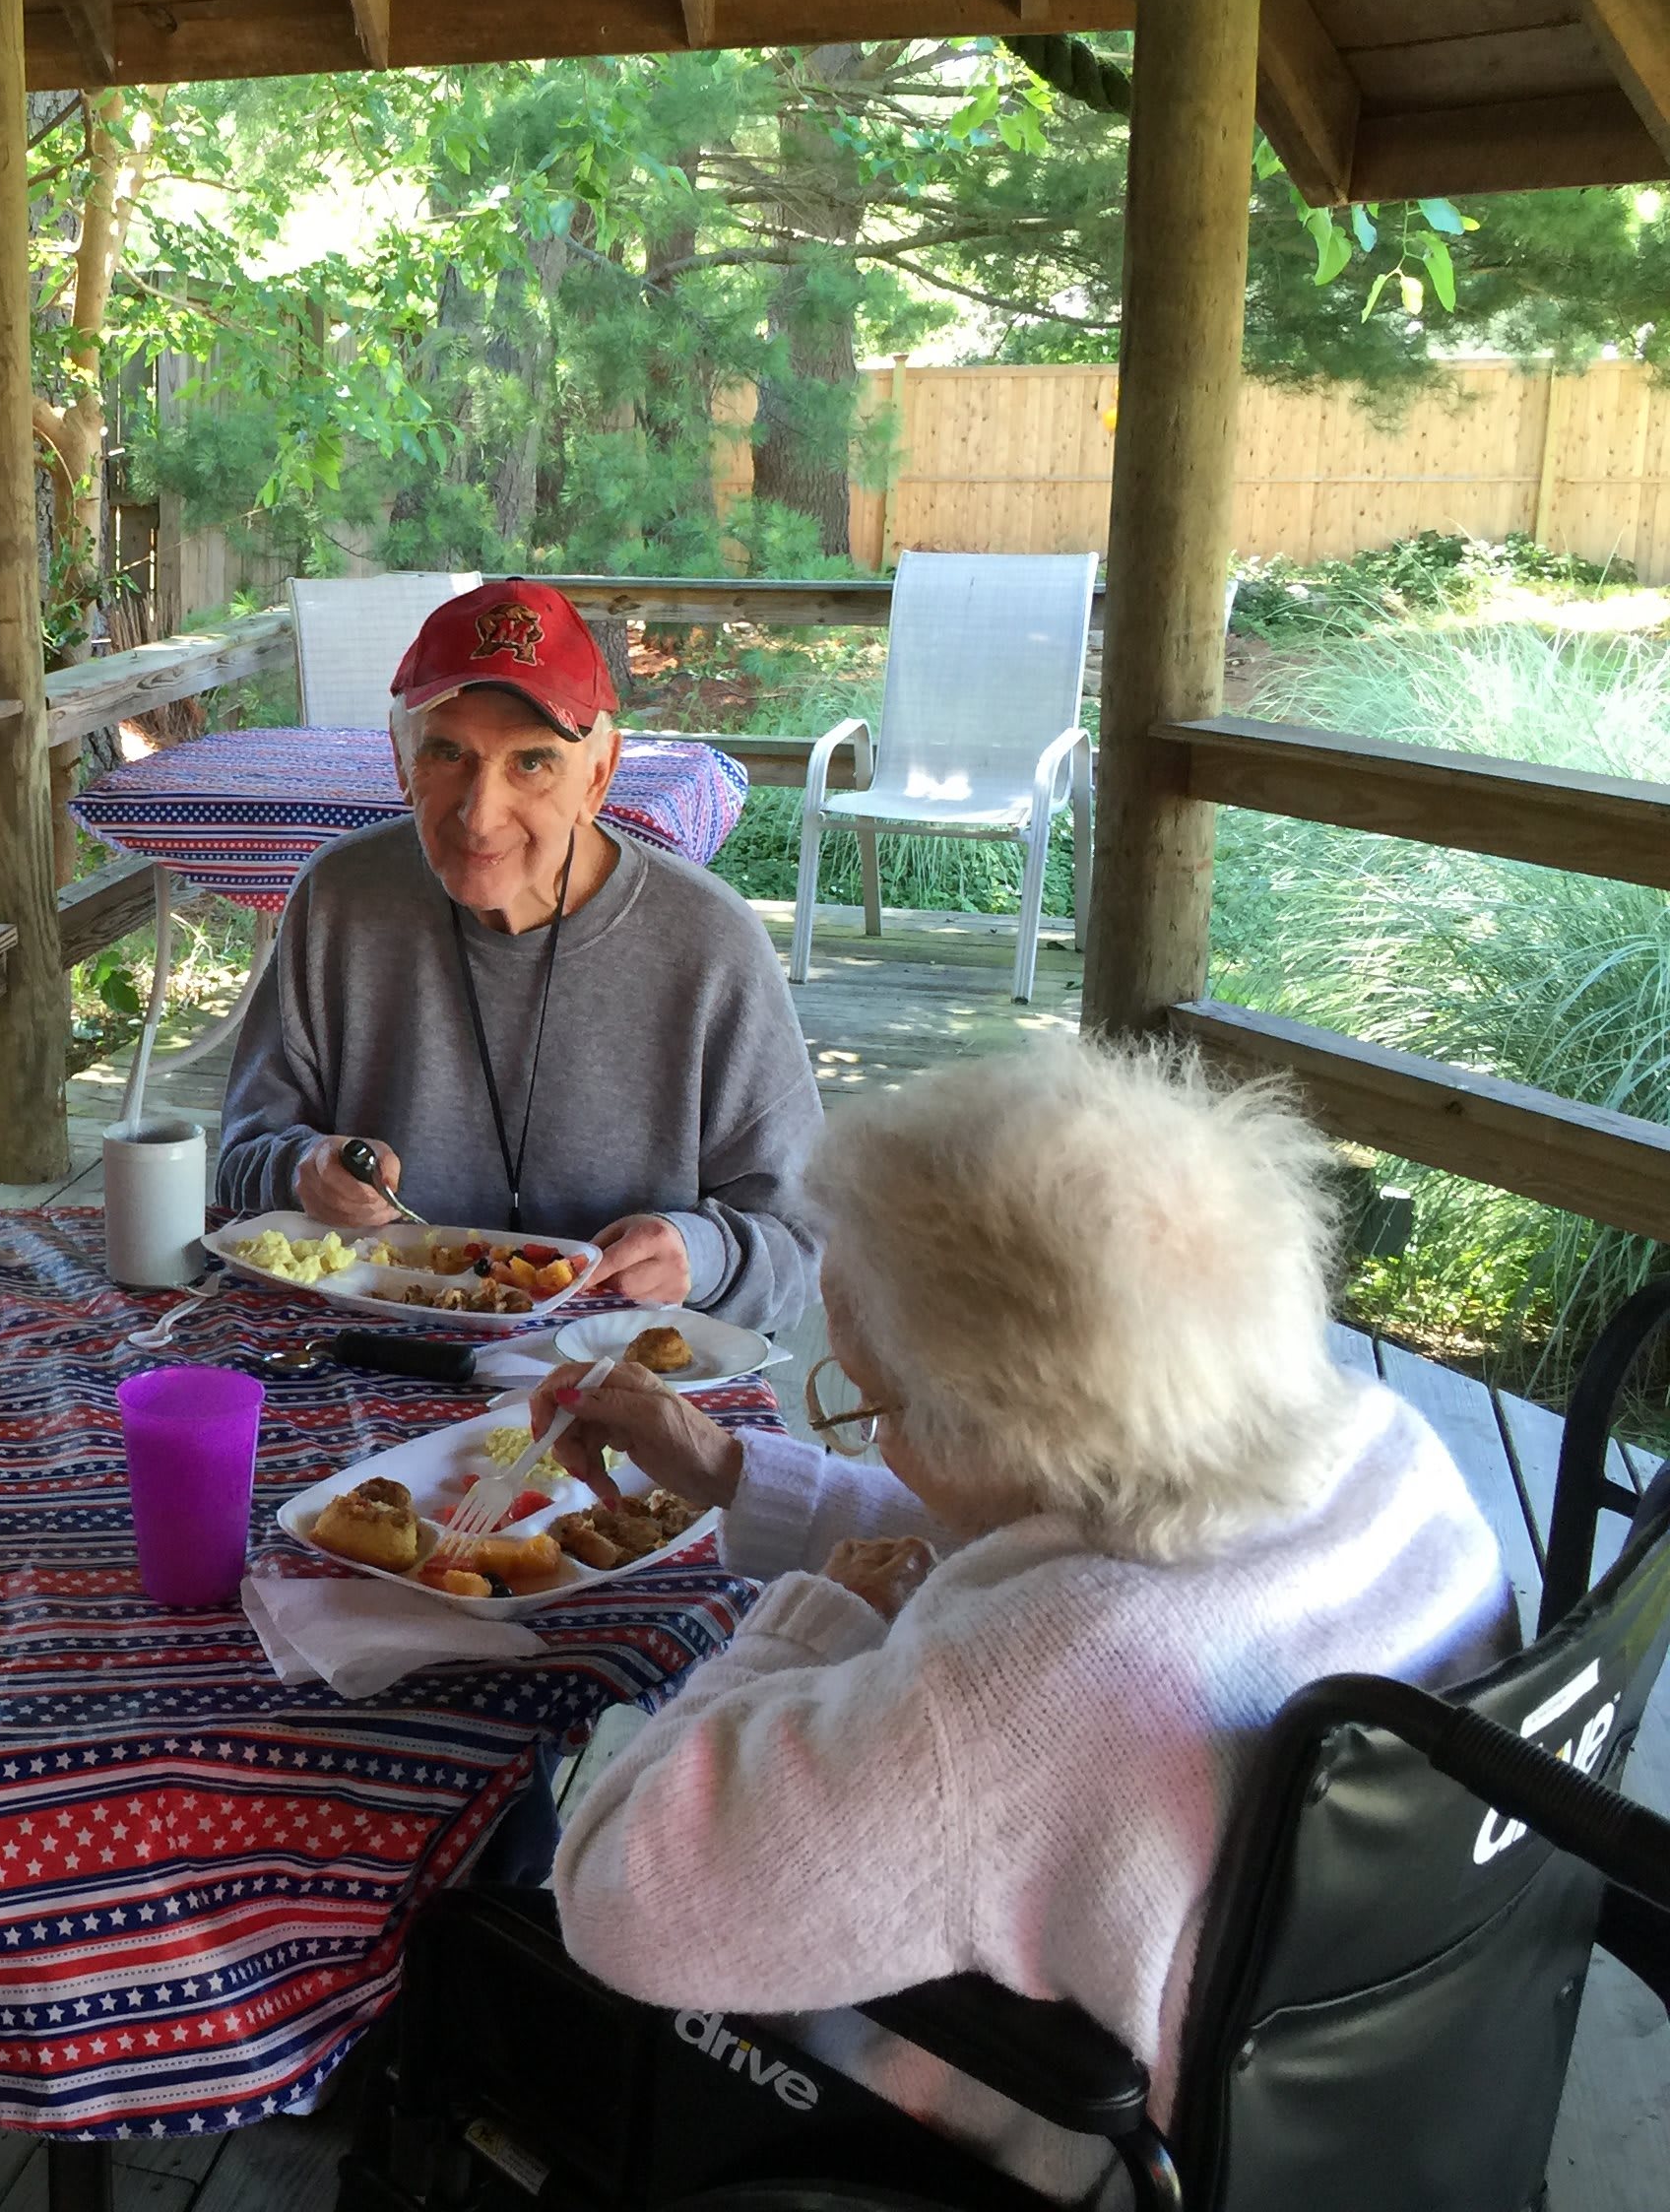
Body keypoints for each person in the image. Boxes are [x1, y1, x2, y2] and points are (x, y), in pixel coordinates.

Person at [523, 1036, 1512, 2202]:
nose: (866, 1426)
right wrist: (737, 1472)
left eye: (867, 1402)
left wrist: (819, 1619)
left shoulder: (1011, 1698)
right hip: (1390, 2100)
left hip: (1017, 2146)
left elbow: (623, 1901)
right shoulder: (1381, 1458)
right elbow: (1059, 1529)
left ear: (995, 1429)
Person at [216, 577, 824, 1329]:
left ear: (598, 777)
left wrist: (701, 1253)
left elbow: (803, 1249)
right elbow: (240, 1163)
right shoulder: (338, 901)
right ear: (401, 760)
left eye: (531, 763)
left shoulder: (709, 945)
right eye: (448, 753)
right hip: (369, 1348)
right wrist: (301, 1171)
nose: (480, 814)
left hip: (608, 1380)